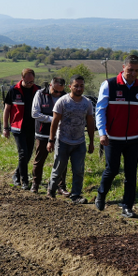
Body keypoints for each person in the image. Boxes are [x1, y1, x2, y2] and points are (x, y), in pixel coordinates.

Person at [94, 54, 138, 218]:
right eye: (130, 70)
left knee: (131, 173)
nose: (133, 73)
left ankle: (127, 206)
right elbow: (100, 111)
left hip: (134, 139)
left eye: (137, 70)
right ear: (123, 67)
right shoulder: (109, 85)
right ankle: (101, 194)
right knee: (112, 170)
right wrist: (102, 133)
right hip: (112, 138)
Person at [47, 74, 95, 204]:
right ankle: (51, 191)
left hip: (79, 142)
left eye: (81, 86)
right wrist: (51, 141)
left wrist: (91, 142)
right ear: (70, 87)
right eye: (76, 86)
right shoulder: (62, 101)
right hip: (63, 141)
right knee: (59, 168)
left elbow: (90, 123)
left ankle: (76, 195)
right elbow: (55, 122)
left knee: (78, 170)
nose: (79, 88)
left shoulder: (87, 103)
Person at [2, 68, 39, 189]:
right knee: (23, 153)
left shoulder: (38, 90)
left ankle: (17, 174)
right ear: (22, 79)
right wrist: (5, 127)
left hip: (32, 127)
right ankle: (25, 181)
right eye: (27, 82)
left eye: (32, 81)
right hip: (18, 127)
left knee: (28, 154)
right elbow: (7, 109)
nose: (30, 84)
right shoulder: (14, 90)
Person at [30, 76, 66, 194]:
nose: (58, 94)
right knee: (39, 159)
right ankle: (35, 183)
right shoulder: (40, 94)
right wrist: (54, 119)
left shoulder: (65, 96)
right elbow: (35, 113)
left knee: (61, 160)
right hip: (43, 133)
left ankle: (61, 186)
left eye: (60, 91)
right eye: (55, 91)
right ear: (50, 85)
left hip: (60, 134)